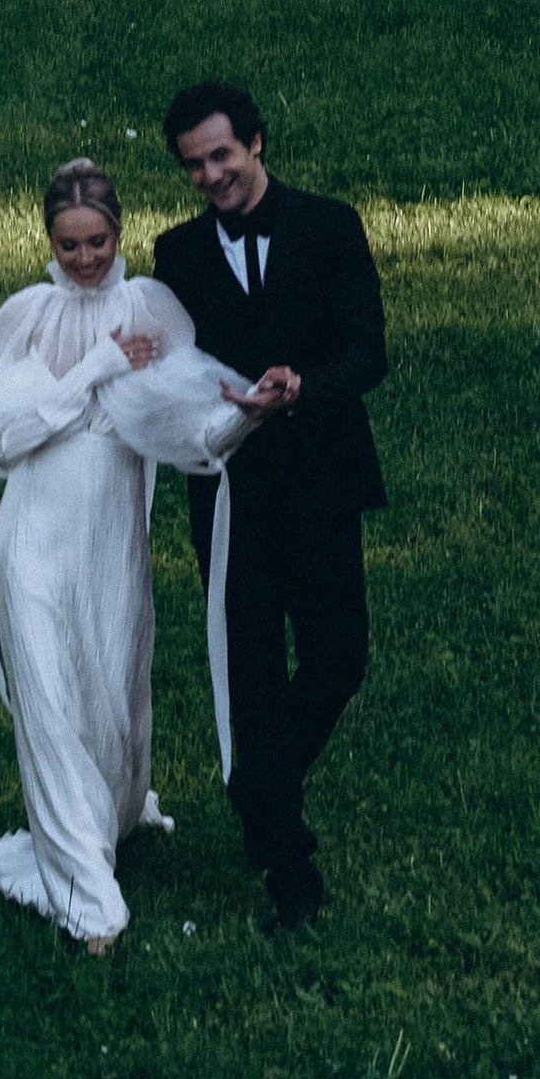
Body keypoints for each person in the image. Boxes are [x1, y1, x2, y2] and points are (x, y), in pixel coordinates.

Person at [0, 157, 249, 950]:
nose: (84, 259)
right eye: (69, 244)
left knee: (110, 687)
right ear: (49, 239)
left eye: (98, 241)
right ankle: (84, 892)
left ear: (119, 232)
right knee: (48, 697)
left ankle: (108, 817)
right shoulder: (27, 316)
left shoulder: (151, 308)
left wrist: (248, 413)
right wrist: (99, 369)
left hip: (110, 537)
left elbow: (185, 419)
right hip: (34, 533)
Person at [154, 82, 388, 931]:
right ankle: (288, 869)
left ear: (256, 142)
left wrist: (304, 387)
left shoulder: (331, 226)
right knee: (251, 674)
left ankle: (259, 783)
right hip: (230, 495)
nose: (211, 175)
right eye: (193, 165)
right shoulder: (175, 255)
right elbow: (170, 369)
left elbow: (369, 349)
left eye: (221, 155)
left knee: (339, 658)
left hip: (323, 478)